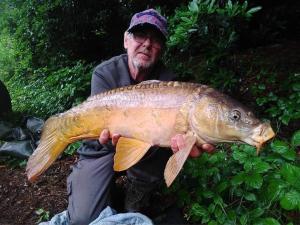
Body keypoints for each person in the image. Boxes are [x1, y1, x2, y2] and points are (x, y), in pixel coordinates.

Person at [66, 9, 214, 225]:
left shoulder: (169, 81)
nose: (147, 44)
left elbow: (179, 135)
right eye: (140, 35)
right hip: (102, 149)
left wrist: (184, 142)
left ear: (161, 49)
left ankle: (137, 195)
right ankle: (100, 187)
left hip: (147, 153)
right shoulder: (104, 73)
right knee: (82, 219)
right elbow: (97, 125)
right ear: (126, 40)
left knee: (154, 153)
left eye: (155, 40)